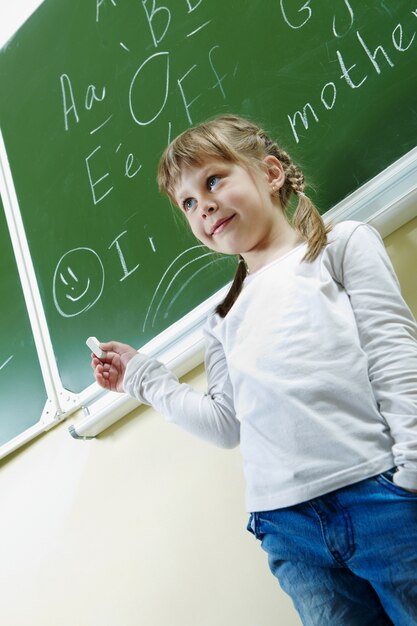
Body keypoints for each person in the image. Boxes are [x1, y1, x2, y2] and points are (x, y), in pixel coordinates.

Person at [91, 114, 417, 625]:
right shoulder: (221, 318)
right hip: (290, 531)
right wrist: (142, 376)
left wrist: (412, 476)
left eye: (213, 180)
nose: (205, 207)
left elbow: (396, 358)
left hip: (380, 498)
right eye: (189, 203)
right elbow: (224, 424)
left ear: (269, 173)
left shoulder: (339, 247)